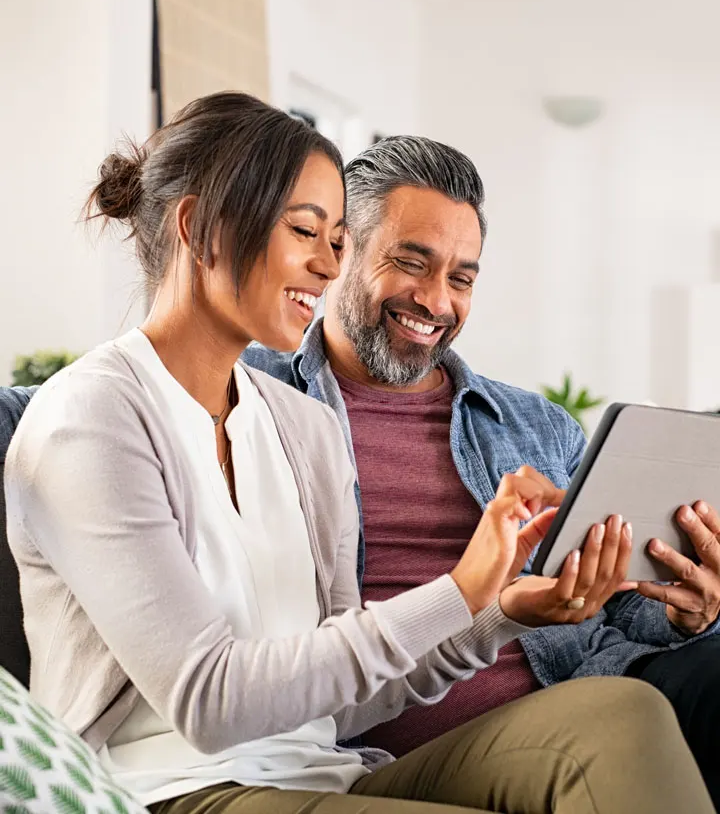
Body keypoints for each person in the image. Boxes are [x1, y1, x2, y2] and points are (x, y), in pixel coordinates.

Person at [4, 93, 712, 814]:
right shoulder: (90, 418)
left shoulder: (301, 428)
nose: (326, 264)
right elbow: (207, 700)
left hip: (325, 769)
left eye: (337, 239)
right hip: (175, 788)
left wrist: (502, 613)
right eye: (306, 231)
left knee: (622, 714)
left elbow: (347, 707)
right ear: (199, 227)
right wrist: (462, 589)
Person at [243, 134, 720, 804]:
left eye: (461, 278)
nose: (437, 302)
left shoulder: (537, 425)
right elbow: (90, 400)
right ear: (338, 249)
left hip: (577, 688)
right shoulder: (246, 398)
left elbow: (618, 608)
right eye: (412, 264)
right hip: (385, 741)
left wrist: (685, 612)